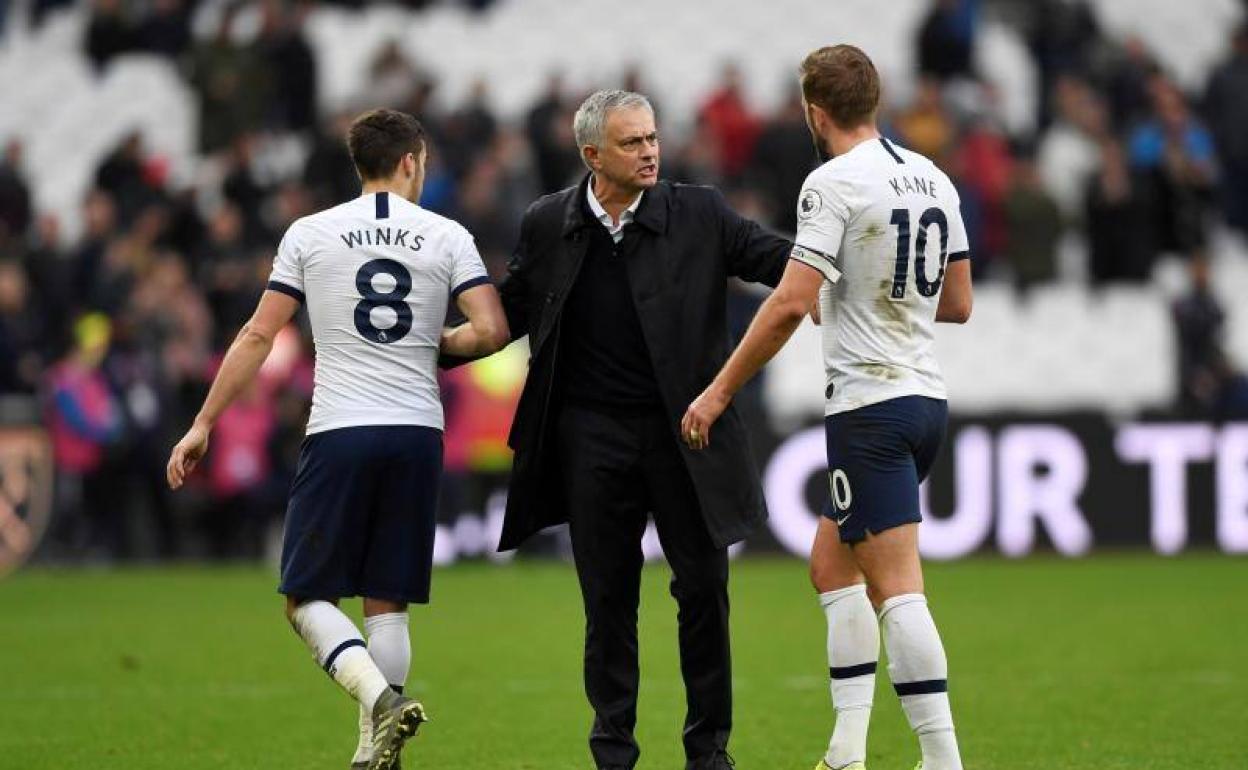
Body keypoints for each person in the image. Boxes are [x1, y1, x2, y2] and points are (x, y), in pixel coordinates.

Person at [447, 89, 791, 769]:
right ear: (591, 155)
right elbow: (509, 315)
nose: (650, 151)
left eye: (653, 138)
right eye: (633, 142)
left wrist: (851, 258)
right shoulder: (549, 222)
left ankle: (708, 753)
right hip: (591, 439)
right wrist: (428, 345)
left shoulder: (700, 213)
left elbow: (781, 263)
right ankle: (612, 752)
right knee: (607, 602)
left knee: (702, 593)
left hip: (685, 435)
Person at [166, 108, 508, 770]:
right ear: (411, 162)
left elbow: (259, 336)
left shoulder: (309, 233)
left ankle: (380, 704)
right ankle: (370, 757)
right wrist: (434, 344)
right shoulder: (448, 235)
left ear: (362, 165)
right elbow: (491, 331)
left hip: (341, 428)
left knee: (304, 597)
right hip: (416, 432)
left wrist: (203, 423)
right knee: (388, 601)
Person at [681, 46, 973, 770]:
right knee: (830, 565)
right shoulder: (932, 177)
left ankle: (943, 760)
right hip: (924, 398)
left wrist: (718, 391)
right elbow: (960, 303)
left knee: (897, 587)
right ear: (874, 101)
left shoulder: (831, 182)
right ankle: (846, 751)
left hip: (869, 406)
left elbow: (788, 303)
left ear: (816, 112)